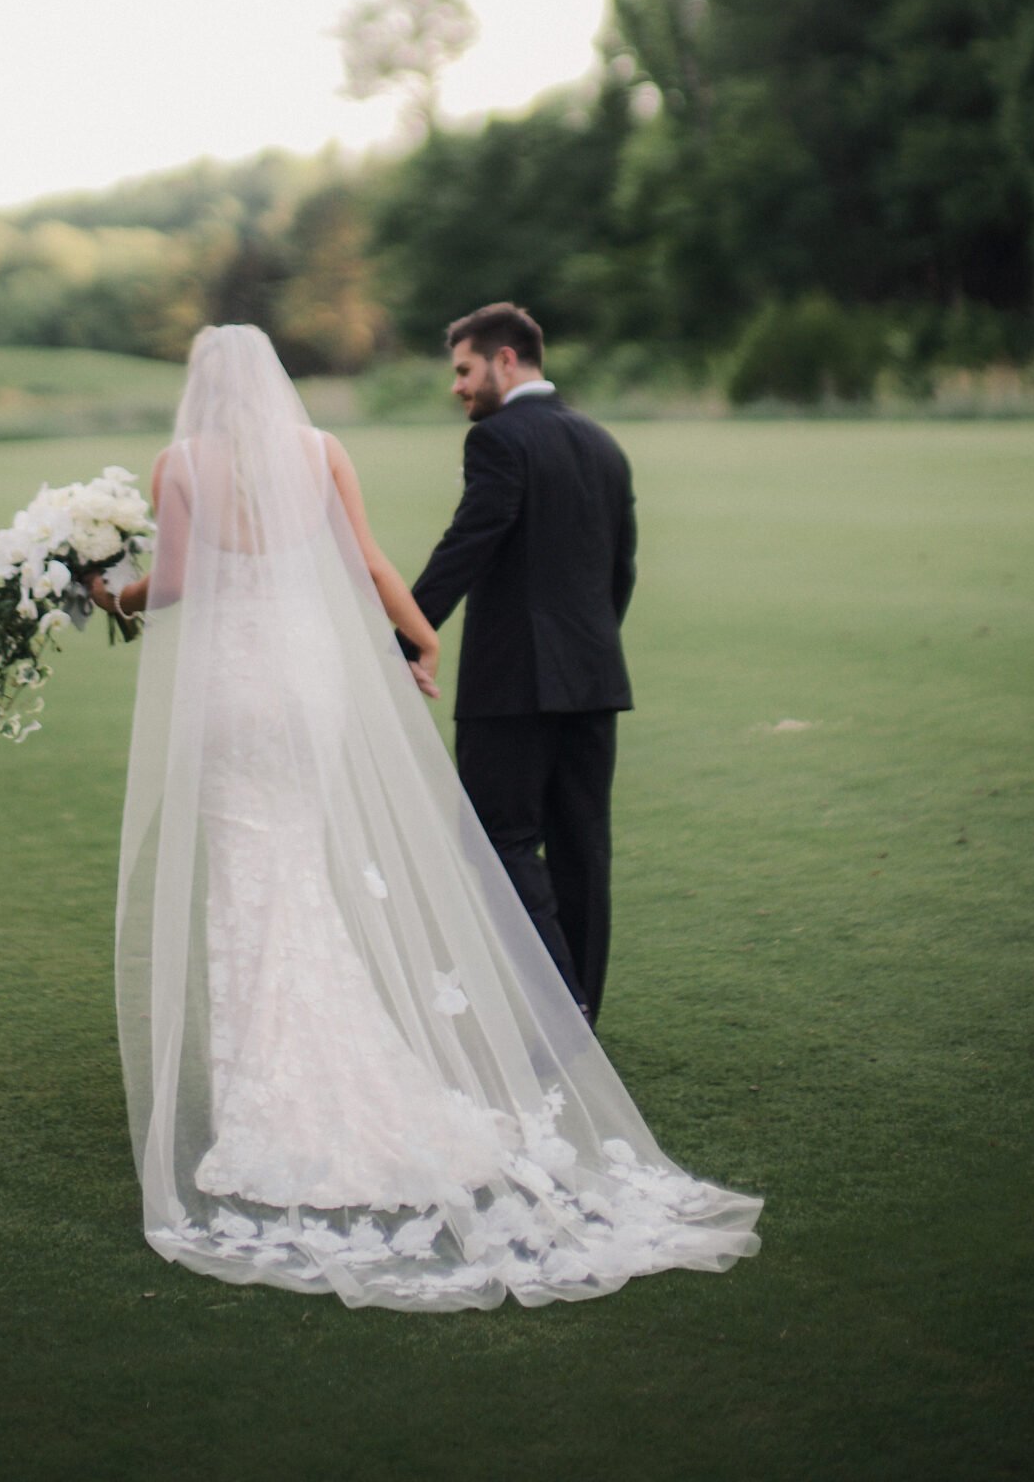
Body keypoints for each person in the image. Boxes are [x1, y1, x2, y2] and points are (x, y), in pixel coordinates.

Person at [85, 322, 759, 1311]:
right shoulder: (321, 452)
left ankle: (264, 1081)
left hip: (233, 684)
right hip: (308, 683)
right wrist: (417, 639)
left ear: (201, 387)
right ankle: (338, 1057)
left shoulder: (179, 462)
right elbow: (367, 562)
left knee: (247, 869)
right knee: (299, 863)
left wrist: (110, 596)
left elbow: (179, 583)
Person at [410, 303, 635, 1027]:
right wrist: (587, 649)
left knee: (496, 840)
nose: (458, 387)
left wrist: (407, 634)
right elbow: (620, 571)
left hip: (512, 686)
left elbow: (468, 544)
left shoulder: (499, 440)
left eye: (465, 370)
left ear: (507, 361)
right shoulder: (603, 443)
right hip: (595, 680)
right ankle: (581, 1019)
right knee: (581, 846)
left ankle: (555, 1001)